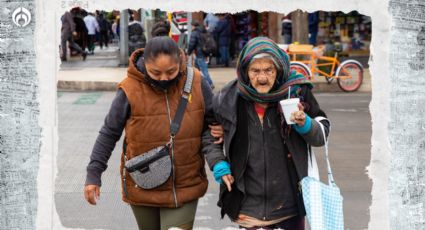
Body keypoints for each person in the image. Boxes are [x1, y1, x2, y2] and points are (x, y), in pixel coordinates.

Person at [84, 36, 219, 230]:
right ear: (144, 64)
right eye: (156, 72)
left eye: (171, 72)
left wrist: (220, 126)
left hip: (185, 184)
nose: (164, 78)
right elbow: (109, 133)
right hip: (142, 182)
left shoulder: (196, 81)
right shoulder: (129, 88)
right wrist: (93, 174)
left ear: (180, 62)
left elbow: (214, 118)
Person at [203, 37, 331, 229]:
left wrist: (305, 123)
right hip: (248, 206)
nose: (262, 78)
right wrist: (218, 163)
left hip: (289, 206)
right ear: (245, 71)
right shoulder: (228, 98)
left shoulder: (296, 92)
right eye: (255, 71)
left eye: (268, 70)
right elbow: (208, 134)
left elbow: (321, 135)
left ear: (278, 70)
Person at [188, 21, 214, 89]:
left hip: (199, 54)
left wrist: (188, 52)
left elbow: (192, 44)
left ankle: (210, 84)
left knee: (204, 70)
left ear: (193, 26)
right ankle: (195, 83)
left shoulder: (194, 33)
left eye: (191, 26)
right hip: (203, 53)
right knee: (196, 70)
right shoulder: (203, 31)